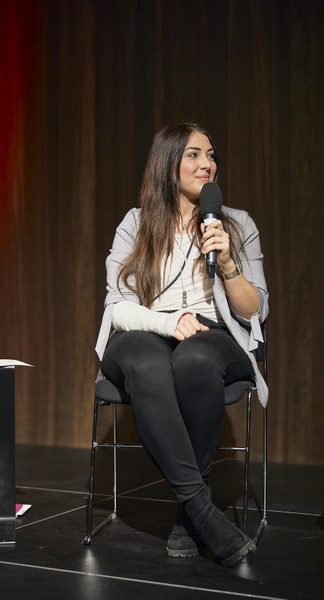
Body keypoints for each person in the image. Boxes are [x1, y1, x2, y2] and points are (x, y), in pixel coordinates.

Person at [95, 122, 269, 567]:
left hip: (214, 337)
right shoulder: (136, 224)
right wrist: (169, 323)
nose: (207, 164)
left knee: (195, 358)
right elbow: (118, 306)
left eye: (211, 155)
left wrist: (227, 264)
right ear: (167, 163)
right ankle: (201, 510)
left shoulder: (237, 224)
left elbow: (255, 311)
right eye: (193, 154)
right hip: (146, 330)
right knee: (147, 361)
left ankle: (190, 513)